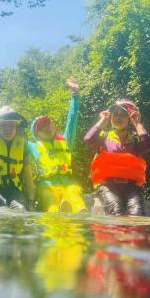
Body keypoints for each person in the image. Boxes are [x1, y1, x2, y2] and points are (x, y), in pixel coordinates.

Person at [83, 99, 150, 216]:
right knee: (116, 212)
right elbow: (88, 139)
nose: (118, 117)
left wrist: (137, 123)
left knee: (137, 214)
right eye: (115, 114)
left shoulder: (135, 140)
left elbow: (148, 144)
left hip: (131, 186)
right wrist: (102, 120)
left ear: (129, 118)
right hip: (108, 185)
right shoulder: (104, 137)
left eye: (122, 114)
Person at [28, 78, 86, 213]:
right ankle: (55, 214)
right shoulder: (33, 147)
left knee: (75, 195)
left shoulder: (66, 140)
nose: (46, 127)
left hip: (69, 183)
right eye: (41, 127)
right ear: (37, 134)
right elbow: (14, 138)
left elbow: (72, 120)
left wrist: (75, 95)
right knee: (50, 201)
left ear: (53, 125)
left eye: (48, 123)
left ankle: (79, 213)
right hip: (46, 186)